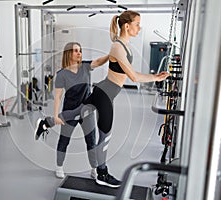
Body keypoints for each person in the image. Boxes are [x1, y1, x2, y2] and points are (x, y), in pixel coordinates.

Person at [36, 10, 169, 188]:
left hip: (103, 91)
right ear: (127, 26)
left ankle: (46, 122)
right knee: (105, 136)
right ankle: (102, 173)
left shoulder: (124, 45)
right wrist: (156, 78)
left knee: (77, 113)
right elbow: (134, 77)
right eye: (137, 24)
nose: (139, 27)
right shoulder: (117, 47)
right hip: (105, 94)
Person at [34, 42, 109, 179]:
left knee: (91, 142)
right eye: (75, 50)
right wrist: (56, 116)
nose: (79, 53)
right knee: (64, 140)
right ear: (68, 53)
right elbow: (58, 97)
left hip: (87, 112)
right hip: (69, 110)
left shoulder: (86, 67)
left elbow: (98, 62)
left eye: (80, 50)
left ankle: (94, 168)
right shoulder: (62, 74)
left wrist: (111, 55)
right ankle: (59, 167)